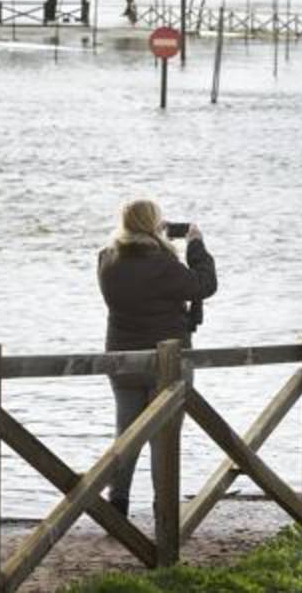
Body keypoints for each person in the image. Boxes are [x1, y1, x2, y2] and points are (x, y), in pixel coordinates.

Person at [97, 199, 217, 517]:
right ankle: (162, 506)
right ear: (154, 224)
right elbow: (204, 285)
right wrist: (195, 245)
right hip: (167, 361)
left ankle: (117, 503)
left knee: (126, 433)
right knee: (163, 436)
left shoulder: (106, 259)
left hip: (122, 359)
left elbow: (136, 280)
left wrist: (153, 237)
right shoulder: (163, 264)